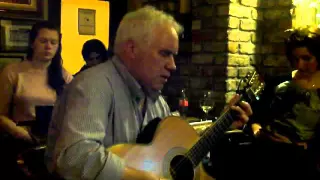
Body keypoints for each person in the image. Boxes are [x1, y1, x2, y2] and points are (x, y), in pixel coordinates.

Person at [45, 6, 253, 180]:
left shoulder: (156, 102)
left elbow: (177, 152)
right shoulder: (93, 85)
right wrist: (141, 177)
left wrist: (222, 126)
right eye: (165, 54)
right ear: (132, 49)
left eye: (173, 56)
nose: (172, 65)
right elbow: (72, 158)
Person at [0, 21, 73, 177]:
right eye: (43, 41)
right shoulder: (12, 72)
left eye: (54, 42)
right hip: (21, 140)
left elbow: (75, 109)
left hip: (53, 142)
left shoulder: (63, 75)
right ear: (33, 43)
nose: (48, 46)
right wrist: (19, 132)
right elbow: (1, 114)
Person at [248, 26, 320, 180]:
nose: (299, 65)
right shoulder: (279, 82)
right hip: (264, 156)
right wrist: (258, 133)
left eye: (307, 58)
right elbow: (255, 117)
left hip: (304, 164)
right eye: (295, 59)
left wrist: (300, 147)